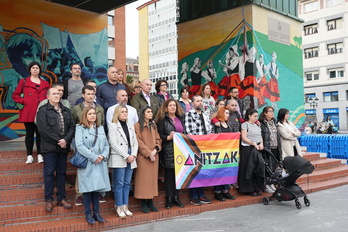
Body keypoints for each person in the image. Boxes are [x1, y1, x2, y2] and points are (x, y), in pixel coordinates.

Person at [36, 88, 75, 212]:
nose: (57, 95)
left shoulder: (66, 110)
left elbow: (72, 127)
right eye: (54, 94)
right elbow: (43, 129)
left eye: (58, 93)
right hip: (49, 148)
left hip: (63, 148)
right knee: (49, 174)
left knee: (62, 173)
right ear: (48, 96)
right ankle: (49, 200)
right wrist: (59, 140)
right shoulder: (43, 110)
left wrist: (66, 140)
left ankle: (61, 198)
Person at [70, 85, 105, 206]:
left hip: (97, 142)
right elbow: (73, 124)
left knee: (97, 168)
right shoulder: (76, 109)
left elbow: (102, 123)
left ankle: (97, 191)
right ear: (83, 95)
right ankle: (80, 194)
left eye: (92, 94)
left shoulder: (100, 109)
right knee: (83, 167)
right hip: (82, 142)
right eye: (88, 94)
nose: (91, 96)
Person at [75, 107, 110, 224]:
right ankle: (88, 214)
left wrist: (103, 156)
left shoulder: (100, 128)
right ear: (85, 115)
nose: (92, 115)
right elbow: (79, 145)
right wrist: (94, 157)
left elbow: (106, 145)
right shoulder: (80, 128)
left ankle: (97, 213)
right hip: (88, 163)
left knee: (97, 189)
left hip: (100, 163)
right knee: (87, 189)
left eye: (94, 113)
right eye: (90, 113)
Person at [12, 61, 50, 164]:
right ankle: (29, 155)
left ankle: (40, 154)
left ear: (40, 70)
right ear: (29, 70)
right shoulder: (24, 81)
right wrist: (24, 101)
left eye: (37, 68)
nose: (35, 69)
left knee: (40, 134)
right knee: (29, 133)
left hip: (41, 112)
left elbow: (49, 96)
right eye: (33, 68)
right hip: (28, 112)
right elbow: (15, 95)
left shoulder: (45, 83)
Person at [108, 105, 138, 218]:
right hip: (120, 156)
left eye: (126, 112)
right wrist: (126, 155)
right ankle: (119, 206)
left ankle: (126, 206)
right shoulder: (113, 126)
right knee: (119, 183)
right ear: (117, 113)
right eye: (122, 112)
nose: (125, 114)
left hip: (131, 155)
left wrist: (133, 154)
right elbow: (113, 143)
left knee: (127, 183)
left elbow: (135, 142)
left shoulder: (130, 126)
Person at [156, 99, 185, 209]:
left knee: (178, 175)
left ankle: (176, 198)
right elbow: (159, 135)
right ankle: (169, 199)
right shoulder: (162, 120)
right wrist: (168, 137)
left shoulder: (180, 118)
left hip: (180, 150)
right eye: (170, 105)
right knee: (169, 176)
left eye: (174, 105)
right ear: (166, 107)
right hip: (168, 150)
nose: (173, 107)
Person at [184, 95, 212, 206]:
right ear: (193, 103)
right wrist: (200, 143)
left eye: (201, 101)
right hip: (194, 147)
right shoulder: (189, 114)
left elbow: (209, 130)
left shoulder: (205, 115)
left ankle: (202, 195)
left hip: (206, 147)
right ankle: (194, 196)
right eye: (197, 101)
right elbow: (189, 131)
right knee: (195, 172)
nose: (200, 102)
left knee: (203, 172)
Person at [134, 105, 162, 213]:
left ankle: (150, 201)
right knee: (143, 180)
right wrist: (148, 153)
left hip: (154, 156)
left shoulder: (153, 125)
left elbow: (158, 139)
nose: (151, 113)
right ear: (143, 114)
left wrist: (155, 150)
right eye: (148, 112)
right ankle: (143, 203)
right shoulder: (137, 126)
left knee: (152, 181)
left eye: (151, 111)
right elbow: (138, 141)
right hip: (143, 157)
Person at [211, 107, 237, 201]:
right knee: (218, 171)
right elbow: (212, 136)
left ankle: (225, 191)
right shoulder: (215, 124)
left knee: (227, 171)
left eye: (228, 113)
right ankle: (218, 192)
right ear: (221, 114)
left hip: (228, 152)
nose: (228, 115)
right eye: (226, 113)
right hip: (218, 151)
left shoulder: (229, 124)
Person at [238, 108, 265, 196]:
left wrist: (261, 143)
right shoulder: (245, 125)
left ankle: (257, 187)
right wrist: (253, 143)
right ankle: (248, 188)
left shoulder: (257, 125)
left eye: (257, 116)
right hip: (248, 149)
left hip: (257, 148)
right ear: (249, 116)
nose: (256, 118)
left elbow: (260, 135)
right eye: (254, 116)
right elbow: (244, 137)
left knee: (257, 168)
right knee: (248, 168)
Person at [259, 106, 281, 193]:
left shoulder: (274, 122)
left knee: (274, 166)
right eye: (270, 111)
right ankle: (266, 184)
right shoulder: (261, 123)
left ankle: (271, 183)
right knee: (268, 166)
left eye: (273, 111)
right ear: (265, 113)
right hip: (267, 148)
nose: (272, 113)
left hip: (276, 147)